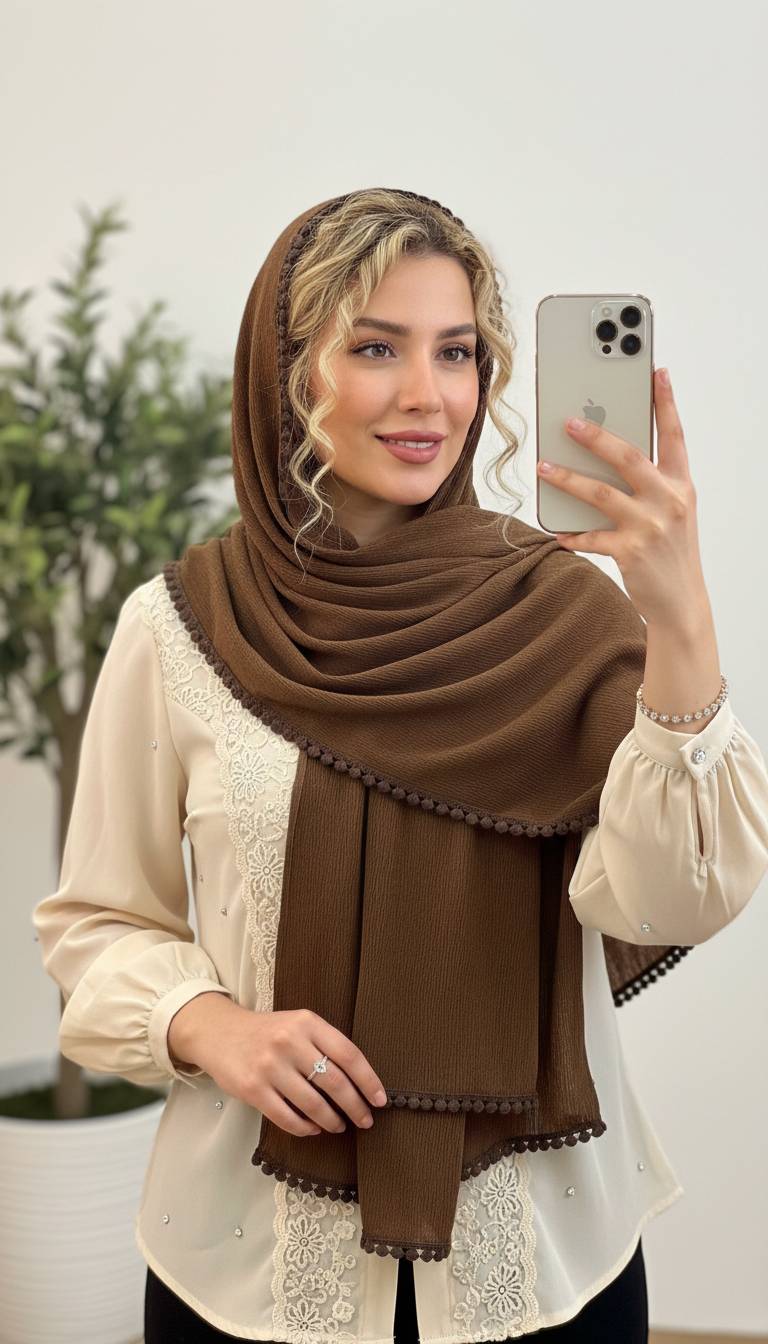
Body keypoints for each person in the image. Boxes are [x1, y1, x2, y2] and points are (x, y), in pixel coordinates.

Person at [33, 187, 768, 1342]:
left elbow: (676, 899)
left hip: (541, 1263)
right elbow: (96, 924)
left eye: (456, 351)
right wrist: (209, 1024)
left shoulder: (569, 621)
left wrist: (681, 622)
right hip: (250, 1264)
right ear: (283, 373)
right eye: (376, 347)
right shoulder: (179, 630)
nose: (429, 395)